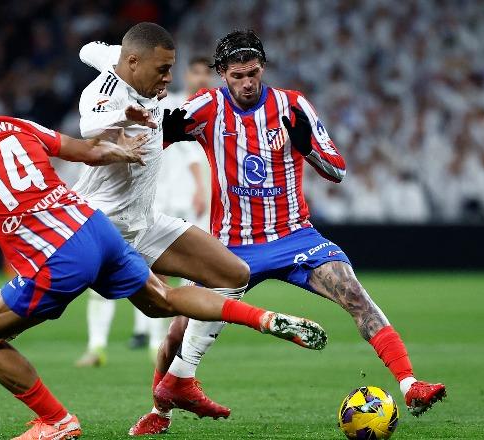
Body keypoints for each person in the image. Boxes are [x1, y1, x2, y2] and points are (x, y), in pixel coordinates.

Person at [0, 23, 329, 440]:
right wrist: (125, 118)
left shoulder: (132, 67)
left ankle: (181, 379)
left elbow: (90, 49)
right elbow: (93, 125)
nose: (169, 79)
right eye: (164, 70)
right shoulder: (104, 93)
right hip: (93, 225)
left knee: (232, 274)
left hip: (143, 223)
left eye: (170, 68)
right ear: (136, 65)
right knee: (0, 328)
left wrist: (118, 65)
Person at [102, 30, 445, 435]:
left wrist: (306, 145)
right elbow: (150, 142)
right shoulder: (207, 107)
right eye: (237, 76)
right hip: (231, 244)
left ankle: (409, 384)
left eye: (253, 73)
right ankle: (161, 411)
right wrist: (153, 131)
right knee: (177, 331)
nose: (247, 83)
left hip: (294, 236)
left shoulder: (292, 105)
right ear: (222, 74)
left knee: (354, 293)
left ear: (262, 68)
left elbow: (338, 168)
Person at [74, 55, 214, 366]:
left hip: (179, 203)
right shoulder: (166, 101)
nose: (201, 78)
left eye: (207, 73)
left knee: (168, 277)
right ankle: (99, 345)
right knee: (111, 270)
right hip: (143, 200)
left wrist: (203, 189)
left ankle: (158, 343)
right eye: (196, 71)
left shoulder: (208, 109)